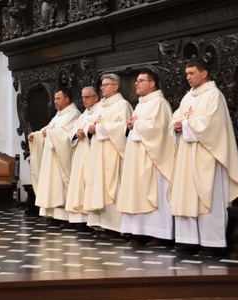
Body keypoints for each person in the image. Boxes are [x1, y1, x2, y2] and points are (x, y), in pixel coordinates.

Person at [169, 58, 238, 251]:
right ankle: (188, 240)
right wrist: (176, 125)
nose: (188, 77)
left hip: (208, 155)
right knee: (186, 195)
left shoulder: (214, 95)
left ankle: (212, 243)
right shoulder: (188, 97)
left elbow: (212, 125)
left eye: (192, 73)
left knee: (208, 195)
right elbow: (177, 116)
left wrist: (184, 125)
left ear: (204, 73)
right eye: (186, 74)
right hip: (187, 155)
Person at [116, 70, 175, 245]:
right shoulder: (141, 104)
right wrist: (130, 126)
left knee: (155, 194)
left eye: (141, 80)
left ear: (152, 83)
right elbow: (138, 127)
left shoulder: (159, 103)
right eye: (136, 81)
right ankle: (139, 231)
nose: (136, 83)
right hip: (138, 156)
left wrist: (137, 124)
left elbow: (159, 129)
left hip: (153, 158)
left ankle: (160, 234)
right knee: (137, 193)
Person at [83, 73, 133, 236]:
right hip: (98, 152)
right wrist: (91, 129)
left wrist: (97, 129)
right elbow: (93, 126)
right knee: (98, 186)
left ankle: (116, 226)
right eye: (102, 85)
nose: (102, 87)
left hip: (113, 153)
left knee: (113, 187)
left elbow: (122, 128)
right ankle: (102, 223)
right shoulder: (102, 106)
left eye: (105, 85)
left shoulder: (122, 105)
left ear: (116, 86)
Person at [27, 88, 81, 222]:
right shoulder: (59, 114)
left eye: (57, 98)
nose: (55, 101)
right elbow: (49, 128)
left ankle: (65, 216)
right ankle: (54, 214)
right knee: (53, 186)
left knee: (60, 186)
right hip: (52, 156)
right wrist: (37, 135)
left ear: (67, 99)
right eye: (55, 98)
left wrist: (50, 134)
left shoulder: (73, 114)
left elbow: (66, 135)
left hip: (61, 158)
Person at [65, 86, 100, 226]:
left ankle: (90, 218)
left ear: (96, 98)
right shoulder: (84, 113)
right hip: (81, 153)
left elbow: (96, 128)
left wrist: (85, 131)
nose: (84, 100)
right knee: (80, 186)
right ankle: (80, 219)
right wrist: (76, 133)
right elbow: (74, 128)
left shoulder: (100, 110)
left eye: (87, 97)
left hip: (92, 154)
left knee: (90, 185)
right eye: (83, 97)